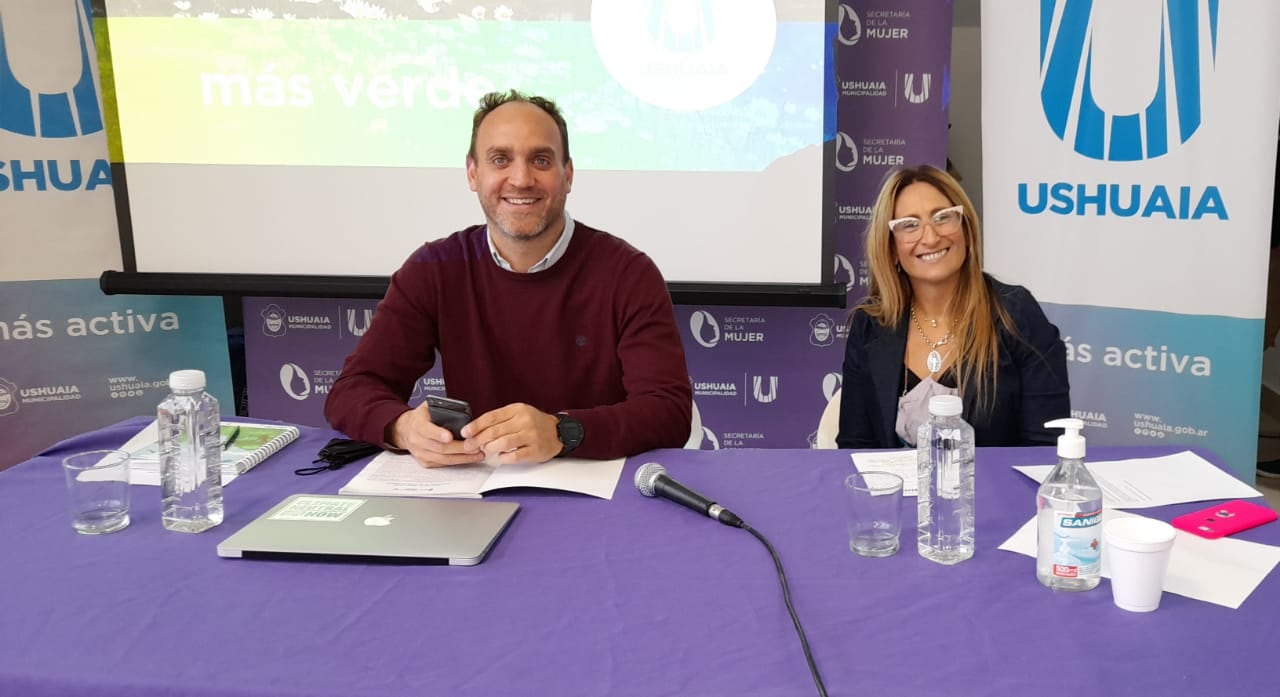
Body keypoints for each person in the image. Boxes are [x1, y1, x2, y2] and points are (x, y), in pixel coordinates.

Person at [325, 90, 692, 466]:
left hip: (598, 494)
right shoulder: (433, 269)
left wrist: (562, 431)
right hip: (477, 493)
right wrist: (403, 428)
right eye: (500, 159)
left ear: (568, 175)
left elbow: (669, 413)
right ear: (473, 173)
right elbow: (352, 390)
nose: (520, 179)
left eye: (541, 160)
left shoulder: (628, 274)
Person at [837, 164, 1070, 448]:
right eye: (909, 225)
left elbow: (1044, 447)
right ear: (890, 248)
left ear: (966, 231)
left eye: (943, 217)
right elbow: (855, 444)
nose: (931, 237)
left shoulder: (1016, 314)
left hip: (993, 491)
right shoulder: (870, 324)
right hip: (894, 493)